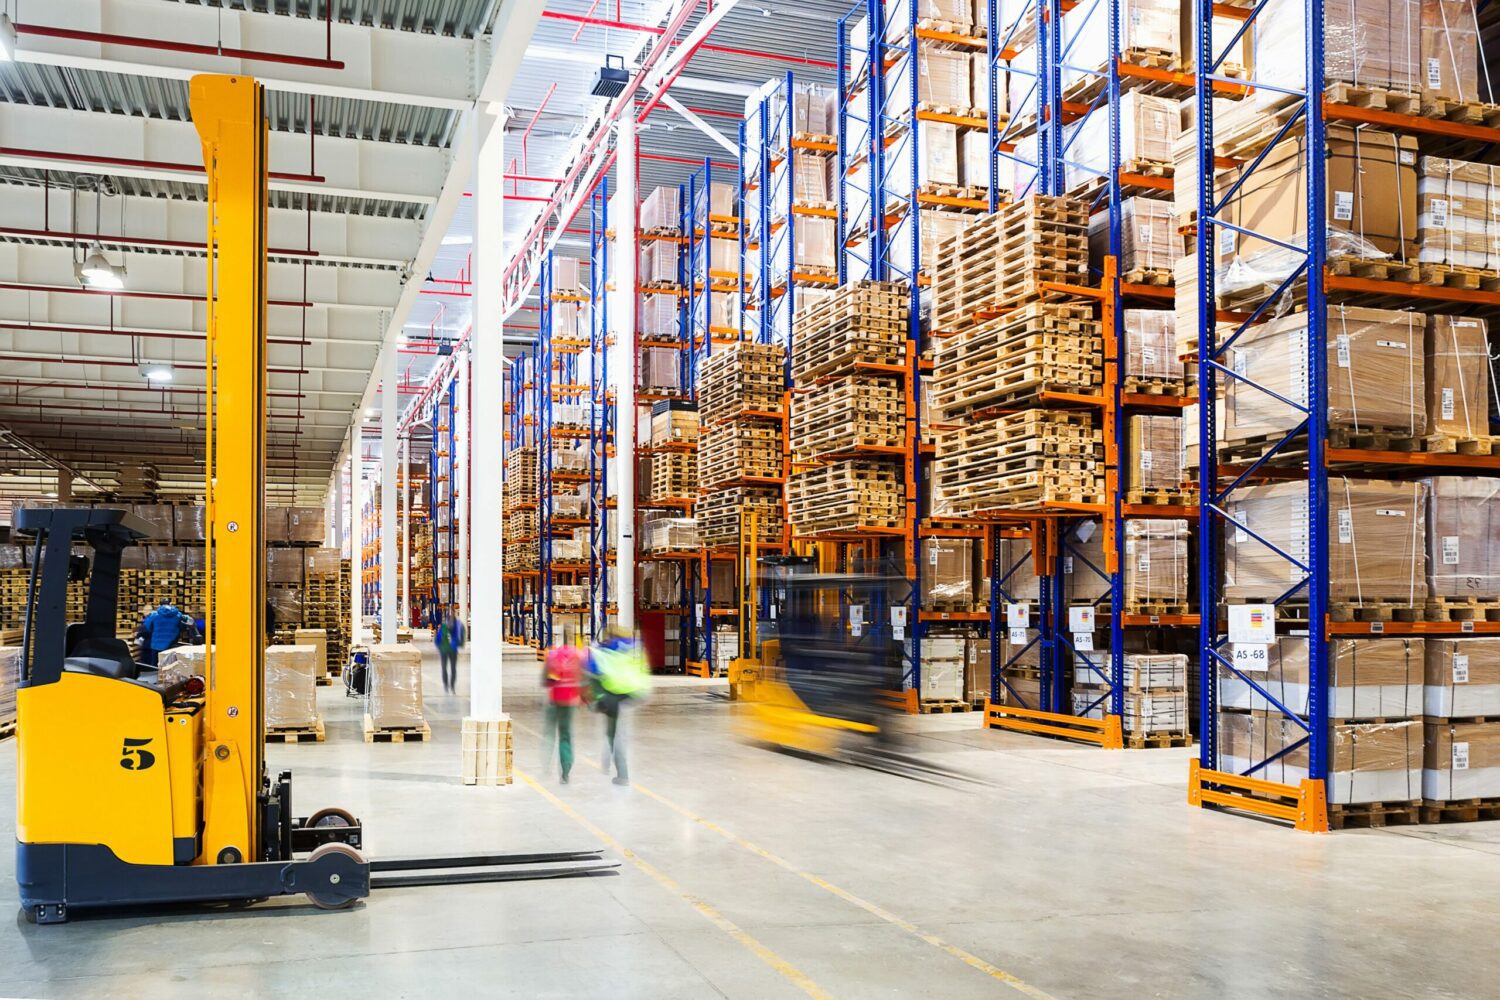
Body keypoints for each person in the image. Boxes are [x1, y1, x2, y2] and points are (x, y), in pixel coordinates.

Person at [587, 626, 651, 786]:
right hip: (630, 693)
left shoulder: (604, 651)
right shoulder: (632, 648)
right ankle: (607, 763)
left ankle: (622, 775)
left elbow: (593, 673)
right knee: (616, 732)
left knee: (615, 736)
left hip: (612, 695)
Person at [541, 642, 587, 784]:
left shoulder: (552, 655)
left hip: (555, 700)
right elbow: (583, 679)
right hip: (569, 702)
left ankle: (546, 764)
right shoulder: (578, 655)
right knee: (565, 736)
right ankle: (565, 772)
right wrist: (582, 698)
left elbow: (546, 681)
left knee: (549, 733)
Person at [137, 600, 186, 667]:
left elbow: (147, 627)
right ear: (170, 604)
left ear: (159, 605)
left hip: (156, 645)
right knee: (170, 666)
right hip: (171, 645)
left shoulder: (154, 615)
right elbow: (183, 626)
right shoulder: (178, 615)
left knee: (155, 666)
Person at [435, 611, 465, 694]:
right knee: (452, 668)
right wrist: (459, 644)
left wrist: (439, 646)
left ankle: (448, 685)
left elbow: (437, 638)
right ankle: (450, 686)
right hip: (450, 649)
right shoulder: (458, 625)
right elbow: (462, 635)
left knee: (447, 667)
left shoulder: (445, 626)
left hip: (446, 649)